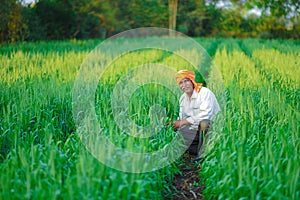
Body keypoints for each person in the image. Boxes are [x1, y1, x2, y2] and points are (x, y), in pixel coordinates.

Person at [172, 69, 220, 162]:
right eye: (181, 83)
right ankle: (198, 149)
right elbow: (182, 119)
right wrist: (175, 124)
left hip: (211, 131)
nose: (184, 85)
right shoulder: (183, 99)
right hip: (196, 133)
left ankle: (203, 155)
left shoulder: (204, 93)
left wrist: (183, 122)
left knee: (204, 123)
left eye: (186, 81)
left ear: (192, 81)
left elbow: (205, 115)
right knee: (175, 131)